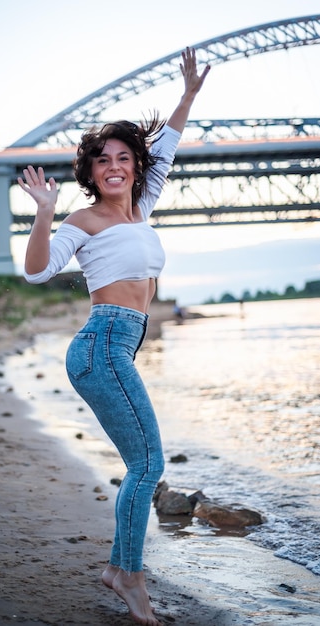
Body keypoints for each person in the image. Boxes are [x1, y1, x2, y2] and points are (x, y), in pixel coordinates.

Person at [18, 47, 210, 626]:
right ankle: (126, 575)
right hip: (101, 346)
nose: (115, 166)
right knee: (149, 464)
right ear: (92, 172)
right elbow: (36, 271)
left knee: (142, 463)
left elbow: (168, 149)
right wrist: (46, 212)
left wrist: (187, 97)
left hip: (116, 347)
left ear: (135, 167)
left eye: (125, 158)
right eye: (104, 160)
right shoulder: (86, 220)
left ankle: (121, 569)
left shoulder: (141, 211)